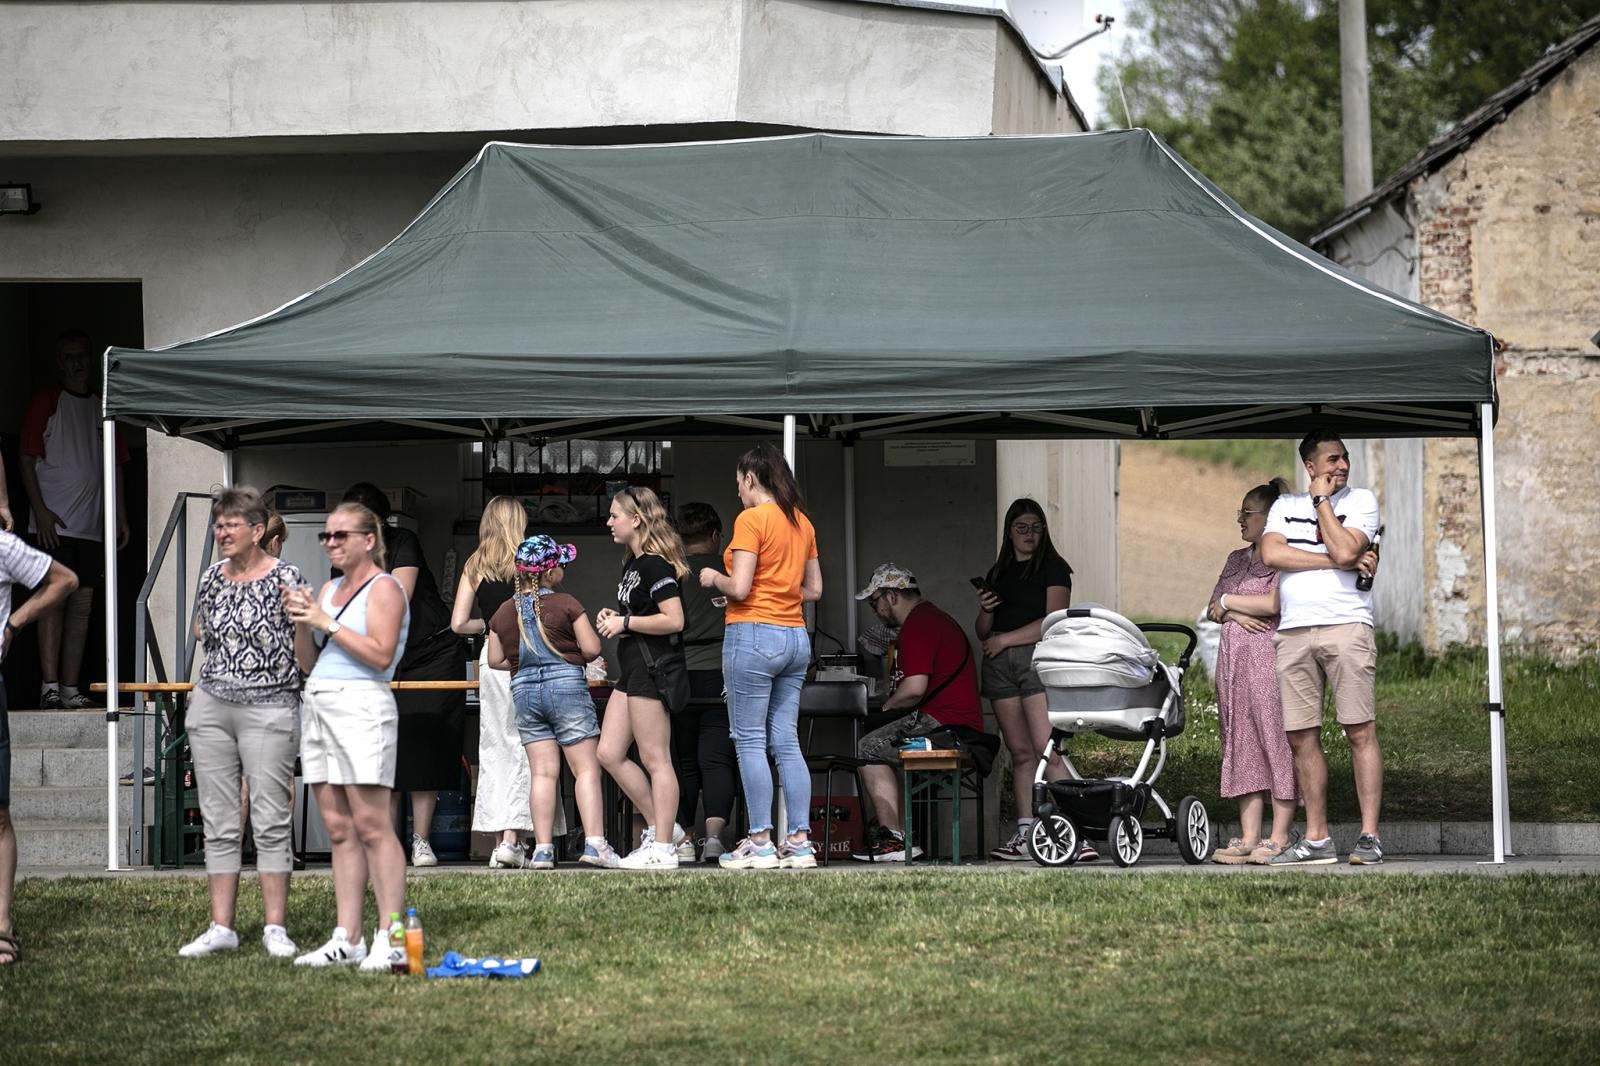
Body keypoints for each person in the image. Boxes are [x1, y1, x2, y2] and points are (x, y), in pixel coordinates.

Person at [177, 488, 309, 959]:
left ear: (257, 531)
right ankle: (222, 927)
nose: (221, 532)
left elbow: (303, 653)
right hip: (213, 703)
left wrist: (304, 628)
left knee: (271, 819)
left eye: (231, 524)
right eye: (218, 524)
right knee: (221, 820)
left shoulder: (287, 576)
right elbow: (201, 631)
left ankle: (276, 927)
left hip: (271, 704)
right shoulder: (212, 577)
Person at [286, 502, 411, 970]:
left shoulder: (386, 588)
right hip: (320, 700)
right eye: (326, 536)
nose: (331, 543)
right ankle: (348, 937)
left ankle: (391, 936)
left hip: (362, 704)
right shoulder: (330, 588)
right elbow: (309, 662)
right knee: (339, 829)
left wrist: (326, 622)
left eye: (340, 535)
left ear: (368, 540)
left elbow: (380, 656)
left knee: (372, 825)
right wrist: (303, 621)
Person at [1260, 430, 1383, 866]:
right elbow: (1272, 554)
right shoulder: (1283, 506)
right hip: (1294, 633)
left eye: (1345, 458)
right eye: (1332, 459)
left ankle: (1369, 837)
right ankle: (1317, 839)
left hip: (1346, 627)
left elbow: (1349, 544)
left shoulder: (1361, 501)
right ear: (1310, 466)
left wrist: (1321, 503)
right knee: (1300, 737)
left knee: (1358, 730)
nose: (1342, 466)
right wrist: (1338, 562)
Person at [697, 447, 822, 871]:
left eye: (738, 482)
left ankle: (760, 841)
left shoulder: (751, 520)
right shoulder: (801, 521)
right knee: (786, 740)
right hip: (794, 635)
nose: (737, 490)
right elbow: (815, 589)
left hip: (752, 633)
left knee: (749, 739)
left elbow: (741, 587)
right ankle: (801, 842)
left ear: (751, 478)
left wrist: (715, 576)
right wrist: (782, 593)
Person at [340, 483, 463, 868]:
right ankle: (387, 844)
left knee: (422, 748)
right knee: (385, 753)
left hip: (430, 654)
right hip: (383, 658)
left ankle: (421, 841)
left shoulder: (402, 541)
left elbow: (398, 597)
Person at [486, 535, 617, 870]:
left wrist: (524, 662)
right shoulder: (566, 603)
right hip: (567, 689)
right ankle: (595, 844)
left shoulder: (503, 611)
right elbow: (591, 649)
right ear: (550, 573)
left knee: (543, 773)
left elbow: (495, 659)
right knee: (585, 769)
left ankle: (543, 850)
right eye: (561, 564)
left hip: (525, 692)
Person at [19, 329, 129, 709]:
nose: (76, 362)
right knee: (53, 603)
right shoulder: (46, 402)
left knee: (82, 608)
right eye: (68, 356)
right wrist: (40, 512)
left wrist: (120, 517)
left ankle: (69, 688)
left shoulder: (103, 405)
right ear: (58, 362)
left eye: (81, 355)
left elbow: (115, 466)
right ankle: (49, 686)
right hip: (54, 526)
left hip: (93, 527)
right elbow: (26, 460)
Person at [974, 498, 1088, 862]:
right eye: (1021, 527)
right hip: (998, 662)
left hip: (1036, 659)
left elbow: (1053, 620)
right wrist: (986, 611)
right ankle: (1026, 832)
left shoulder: (1054, 569)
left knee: (1046, 748)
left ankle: (1082, 829)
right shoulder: (998, 571)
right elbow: (982, 631)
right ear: (1009, 531)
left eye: (1036, 527)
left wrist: (1005, 638)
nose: (1029, 534)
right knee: (1020, 751)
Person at [851, 564, 981, 862]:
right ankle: (895, 832)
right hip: (960, 723)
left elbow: (913, 689)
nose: (875, 610)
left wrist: (885, 705)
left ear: (891, 596)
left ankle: (893, 838)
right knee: (879, 740)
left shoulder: (917, 625)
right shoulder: (932, 618)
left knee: (867, 747)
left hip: (945, 725)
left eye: (875, 602)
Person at [1204, 478, 1299, 865]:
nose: (1240, 519)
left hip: (1269, 663)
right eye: (1240, 512)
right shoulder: (1234, 559)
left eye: (1248, 512)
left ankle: (1279, 835)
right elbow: (1213, 607)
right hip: (1234, 668)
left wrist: (1230, 603)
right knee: (1240, 741)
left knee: (1275, 741)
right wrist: (1236, 610)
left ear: (1270, 517)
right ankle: (1248, 836)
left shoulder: (1284, 558)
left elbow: (1275, 603)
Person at [594, 486, 689, 870]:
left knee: (655, 759)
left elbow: (674, 619)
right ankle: (663, 827)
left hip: (652, 669)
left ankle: (663, 846)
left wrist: (625, 622)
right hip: (633, 668)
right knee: (608, 753)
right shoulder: (631, 564)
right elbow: (639, 616)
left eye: (615, 515)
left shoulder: (654, 564)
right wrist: (617, 620)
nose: (609, 522)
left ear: (636, 520)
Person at [0, 530, 78, 966]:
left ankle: (2, 928)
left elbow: (64, 580)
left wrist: (15, 622)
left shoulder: (2, 546)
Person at [450, 497, 533, 869]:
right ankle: (514, 839)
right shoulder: (527, 562)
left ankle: (500, 837)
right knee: (525, 742)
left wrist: (487, 626)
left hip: (490, 656)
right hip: (525, 654)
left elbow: (457, 624)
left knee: (495, 743)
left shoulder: (475, 563)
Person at [674, 502, 740, 863]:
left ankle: (684, 838)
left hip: (680, 674)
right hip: (722, 672)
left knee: (683, 760)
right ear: (716, 535)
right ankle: (714, 839)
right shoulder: (731, 571)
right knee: (717, 759)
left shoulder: (672, 573)